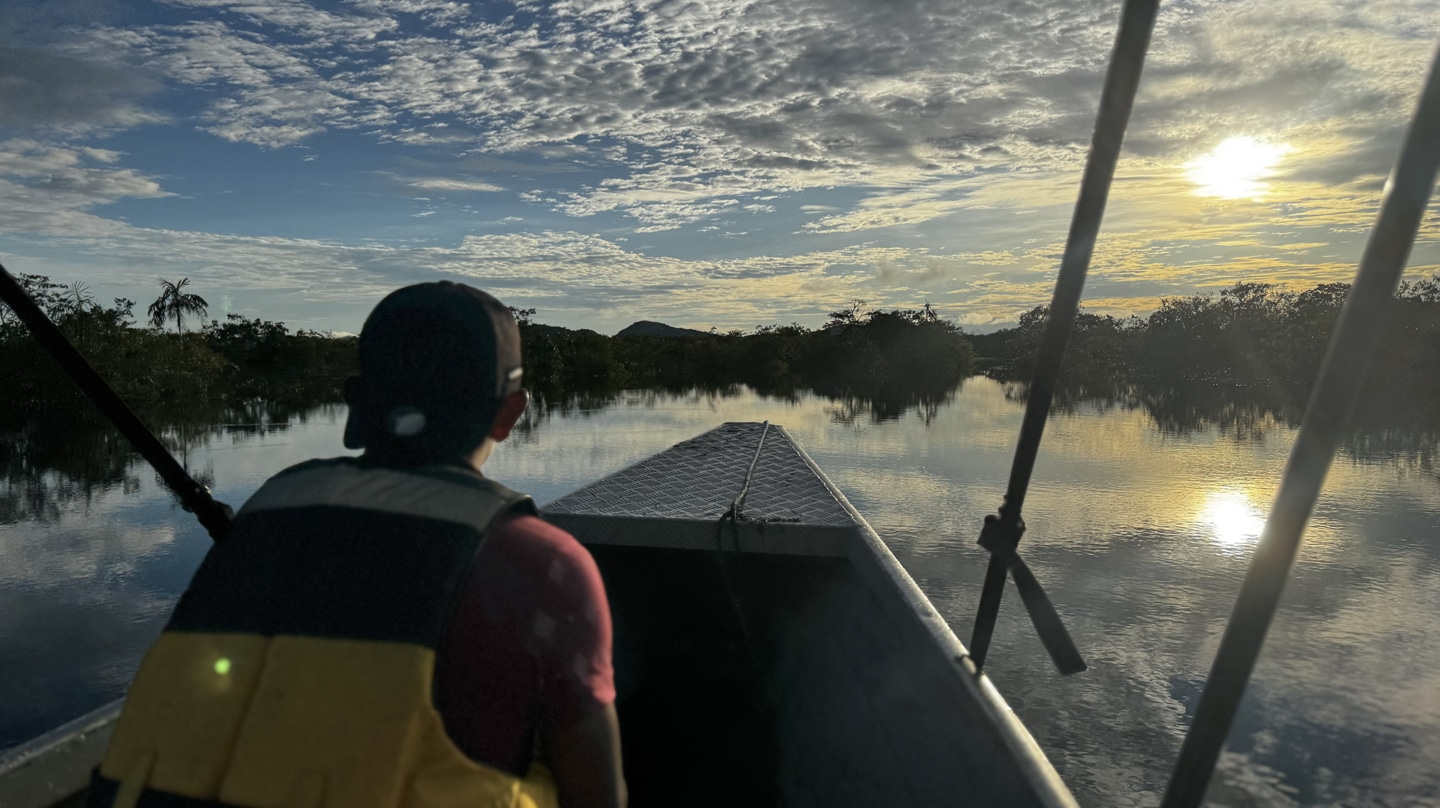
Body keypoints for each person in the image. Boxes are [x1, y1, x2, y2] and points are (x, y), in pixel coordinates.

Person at [89, 282, 626, 808]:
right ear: (511, 413)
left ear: (356, 405)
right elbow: (599, 795)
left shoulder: (268, 510)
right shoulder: (545, 563)